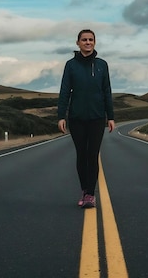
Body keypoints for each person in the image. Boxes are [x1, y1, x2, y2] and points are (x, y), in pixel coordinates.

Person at [57, 29, 115, 208]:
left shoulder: (102, 65)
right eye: (84, 40)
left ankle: (90, 194)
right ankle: (84, 189)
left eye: (91, 39)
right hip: (77, 118)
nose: (87, 42)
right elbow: (65, 90)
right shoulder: (71, 65)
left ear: (95, 42)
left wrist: (110, 116)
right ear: (78, 43)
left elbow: (107, 91)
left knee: (93, 155)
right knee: (81, 156)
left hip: (97, 118)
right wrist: (61, 116)